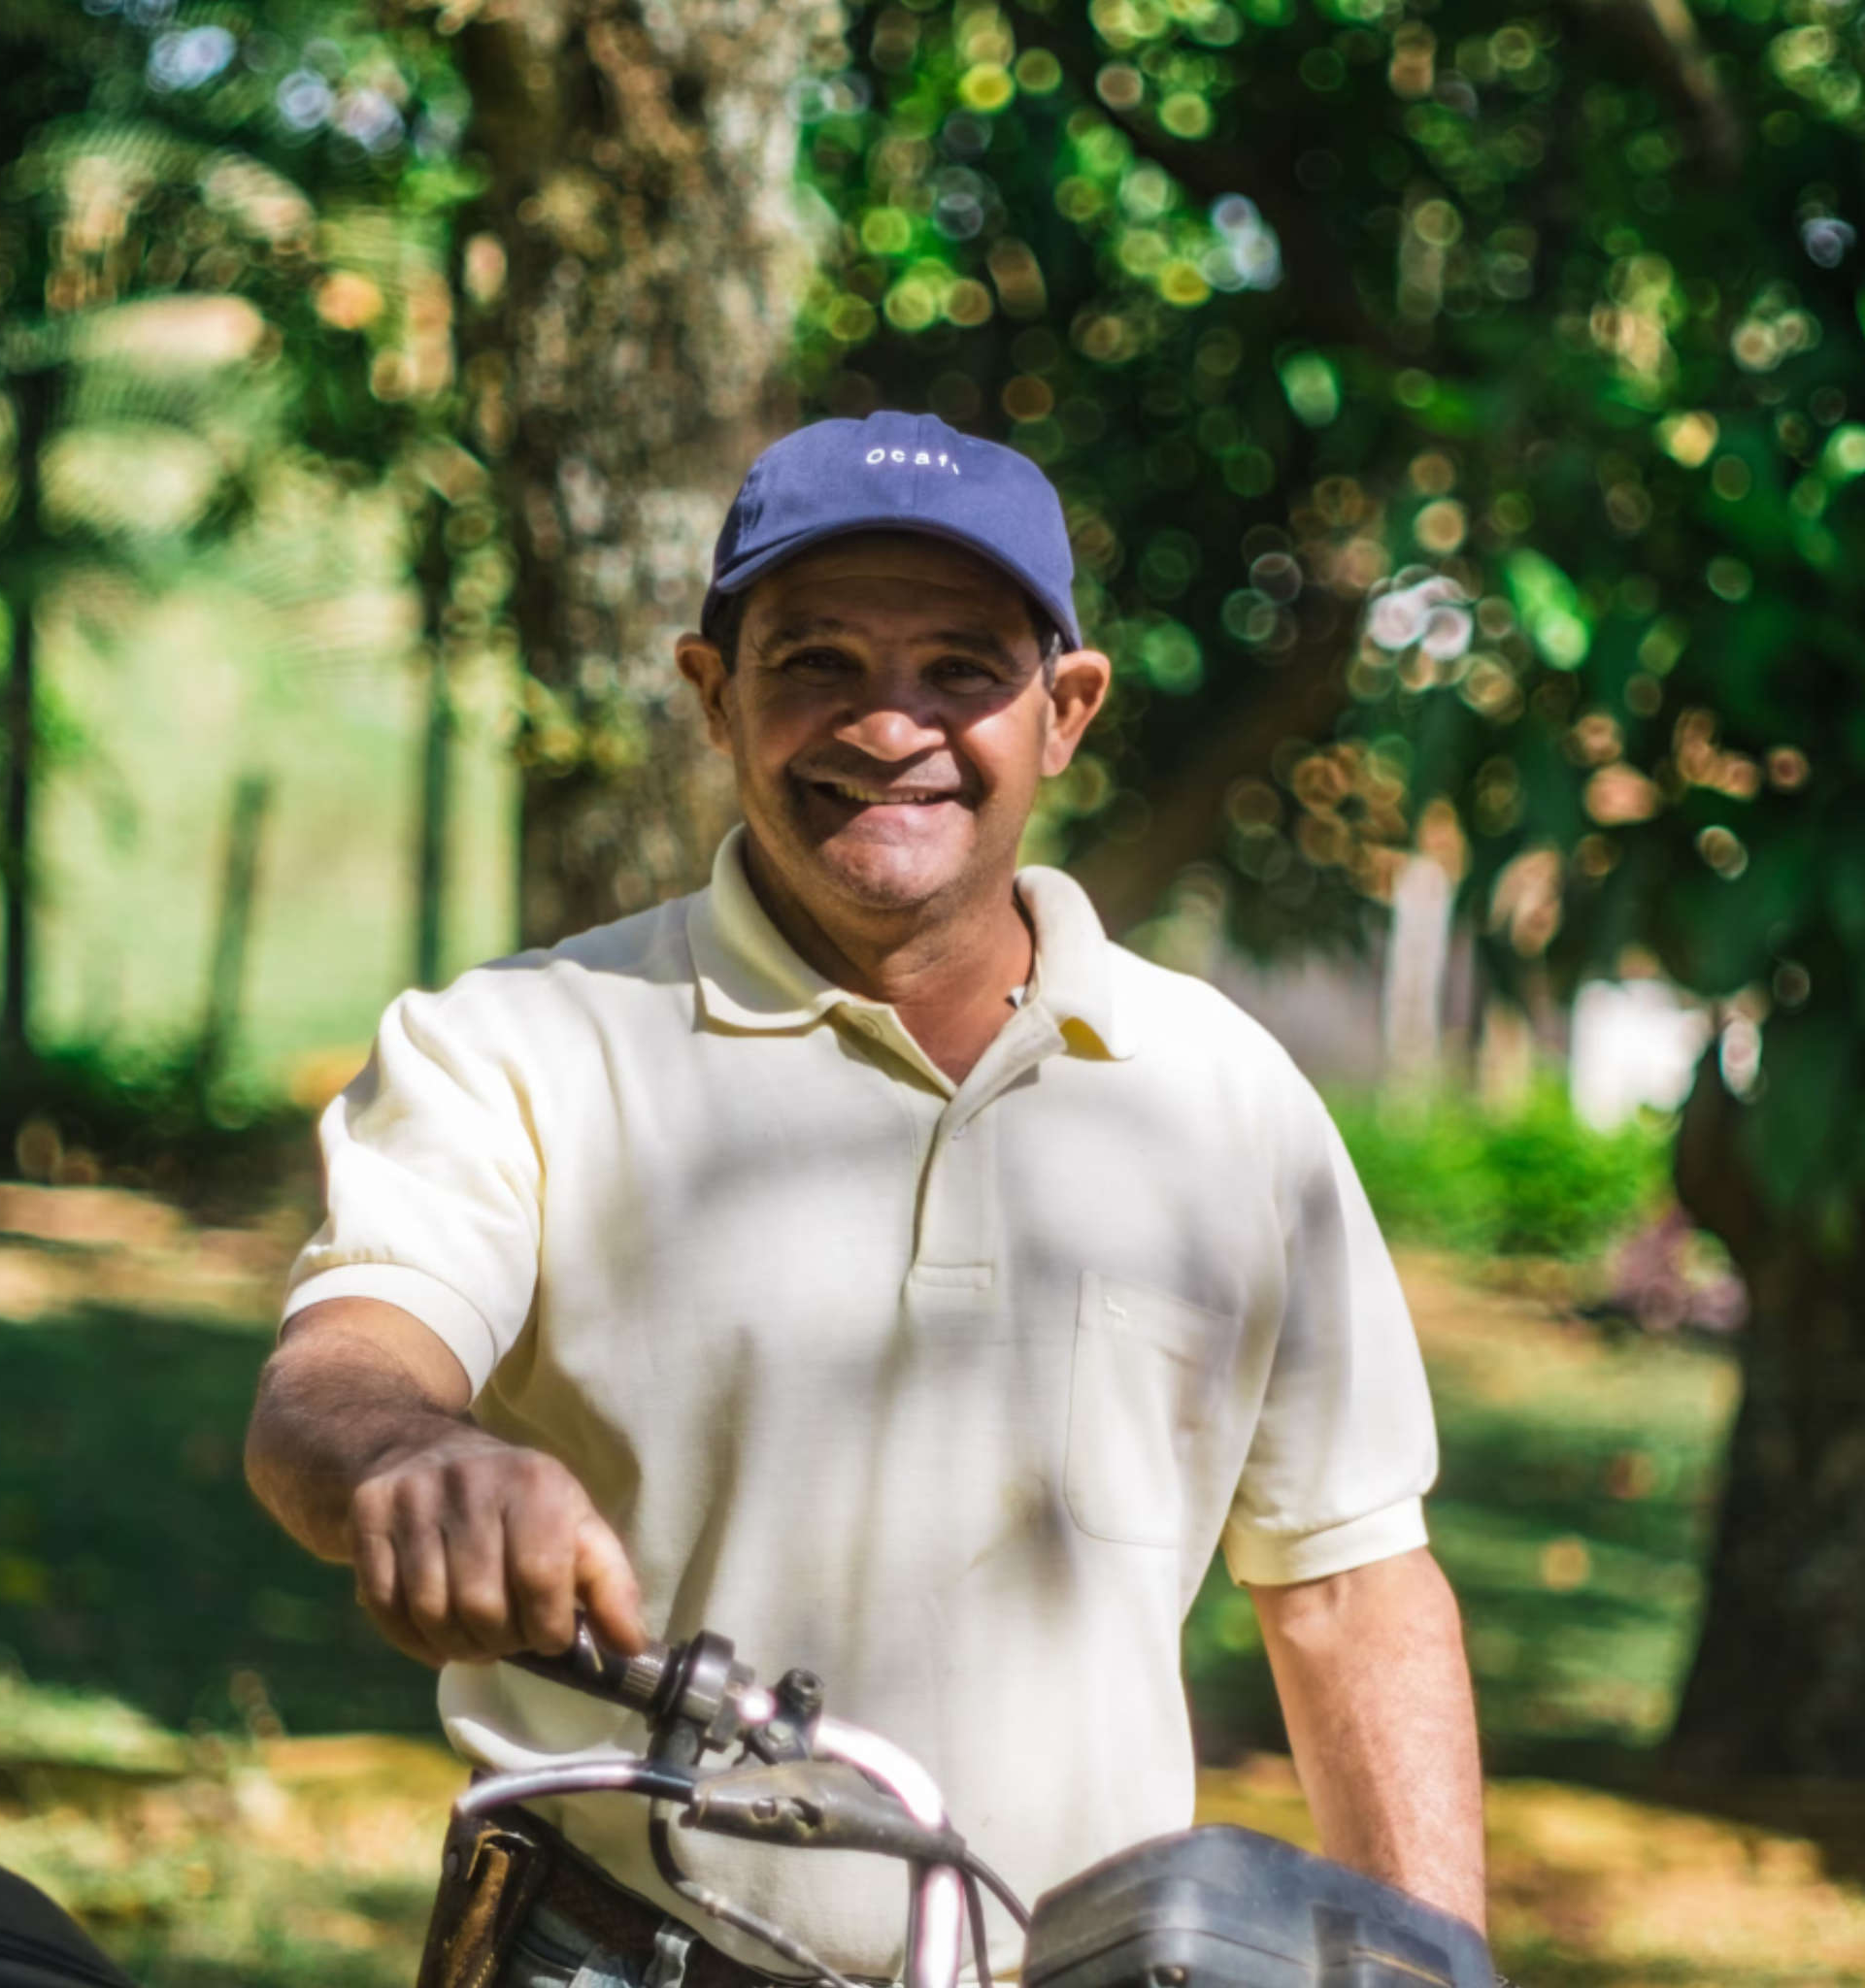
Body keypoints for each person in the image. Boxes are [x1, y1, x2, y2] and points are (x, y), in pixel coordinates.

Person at [244, 411, 1485, 1988]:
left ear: (1066, 710)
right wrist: (416, 1456)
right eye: (815, 660)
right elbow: (338, 1375)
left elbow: (1353, 1586)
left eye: (962, 668)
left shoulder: (1228, 1101)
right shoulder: (516, 1046)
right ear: (715, 696)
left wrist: (1442, 1965)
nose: (887, 724)